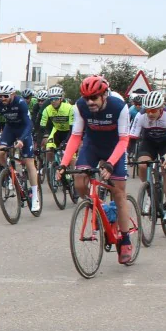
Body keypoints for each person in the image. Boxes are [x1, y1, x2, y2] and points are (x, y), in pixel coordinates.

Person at [58, 75, 135, 263]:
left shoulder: (119, 107)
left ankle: (125, 239)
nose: (90, 102)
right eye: (86, 98)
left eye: (94, 98)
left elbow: (124, 139)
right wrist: (63, 163)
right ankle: (100, 208)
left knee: (118, 192)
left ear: (104, 95)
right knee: (79, 181)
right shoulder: (80, 106)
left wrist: (110, 163)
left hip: (114, 148)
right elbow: (76, 136)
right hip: (92, 146)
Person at [0, 83, 41, 214]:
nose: (2, 98)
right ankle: (11, 175)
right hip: (10, 129)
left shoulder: (21, 103)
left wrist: (22, 139)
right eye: (0, 96)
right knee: (0, 153)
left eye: (5, 96)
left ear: (13, 94)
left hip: (24, 130)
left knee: (29, 162)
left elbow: (29, 124)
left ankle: (35, 196)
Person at [129, 91, 166, 224]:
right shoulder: (140, 115)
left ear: (161, 108)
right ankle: (149, 191)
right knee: (142, 165)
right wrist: (128, 154)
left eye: (153, 110)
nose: (150, 113)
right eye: (147, 110)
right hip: (149, 142)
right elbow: (132, 138)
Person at [40, 86, 74, 165]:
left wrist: (66, 142)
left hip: (68, 132)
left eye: (56, 99)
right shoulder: (47, 109)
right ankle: (53, 168)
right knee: (48, 150)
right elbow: (42, 128)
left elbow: (73, 128)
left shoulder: (70, 108)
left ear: (61, 99)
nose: (53, 101)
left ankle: (72, 173)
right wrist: (39, 144)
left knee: (71, 156)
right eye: (51, 99)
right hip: (57, 131)